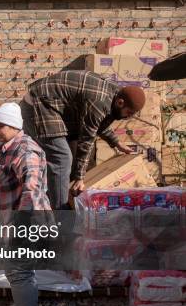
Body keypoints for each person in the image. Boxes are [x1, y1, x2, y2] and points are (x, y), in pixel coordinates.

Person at [19, 70, 146, 209]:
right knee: (62, 157)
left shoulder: (114, 95)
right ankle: (61, 214)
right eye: (128, 113)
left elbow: (97, 123)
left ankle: (70, 203)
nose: (127, 117)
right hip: (38, 105)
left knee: (74, 154)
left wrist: (117, 143)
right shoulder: (100, 101)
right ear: (121, 102)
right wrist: (80, 177)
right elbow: (87, 140)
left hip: (54, 106)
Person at [0, 102, 52, 306]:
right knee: (17, 272)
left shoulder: (25, 150)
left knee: (20, 272)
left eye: (0, 125)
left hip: (24, 222)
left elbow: (32, 188)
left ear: (14, 125)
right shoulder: (7, 149)